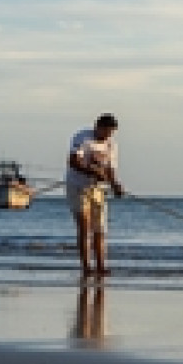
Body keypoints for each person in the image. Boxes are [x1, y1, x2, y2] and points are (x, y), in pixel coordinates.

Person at [67, 113, 125, 276]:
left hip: (98, 189)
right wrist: (92, 171)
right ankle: (86, 267)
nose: (107, 136)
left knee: (100, 228)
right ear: (97, 127)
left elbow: (110, 169)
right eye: (105, 132)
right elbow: (73, 161)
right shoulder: (82, 137)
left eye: (111, 133)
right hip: (78, 186)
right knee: (84, 226)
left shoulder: (111, 145)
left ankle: (101, 265)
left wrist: (115, 185)